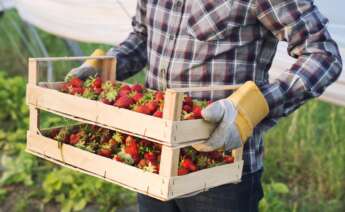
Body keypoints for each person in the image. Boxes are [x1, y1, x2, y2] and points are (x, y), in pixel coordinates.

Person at [67, 0, 342, 211]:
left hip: (221, 168)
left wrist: (252, 108)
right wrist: (102, 67)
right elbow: (143, 37)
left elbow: (323, 54)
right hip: (153, 155)